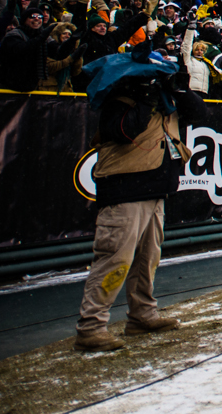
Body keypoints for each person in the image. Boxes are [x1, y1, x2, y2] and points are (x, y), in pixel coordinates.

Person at [74, 50, 207, 351]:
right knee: (115, 259)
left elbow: (199, 113)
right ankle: (91, 327)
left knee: (148, 259)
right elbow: (123, 131)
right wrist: (146, 96)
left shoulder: (166, 101)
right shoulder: (119, 99)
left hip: (155, 189)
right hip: (125, 190)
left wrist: (180, 88)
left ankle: (142, 315)